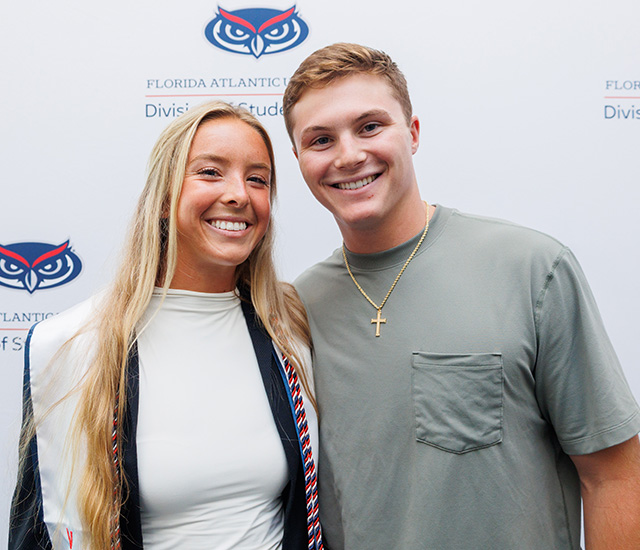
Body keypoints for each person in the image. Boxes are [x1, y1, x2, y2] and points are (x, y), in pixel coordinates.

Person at [282, 43, 640, 549]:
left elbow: (614, 475)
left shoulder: (532, 268)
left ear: (413, 133)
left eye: (369, 126)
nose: (349, 155)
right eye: (321, 139)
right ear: (298, 159)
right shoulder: (296, 307)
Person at [10, 101, 323, 550]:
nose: (239, 194)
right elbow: (35, 532)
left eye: (258, 179)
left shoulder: (291, 332)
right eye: (211, 172)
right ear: (162, 197)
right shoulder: (70, 347)